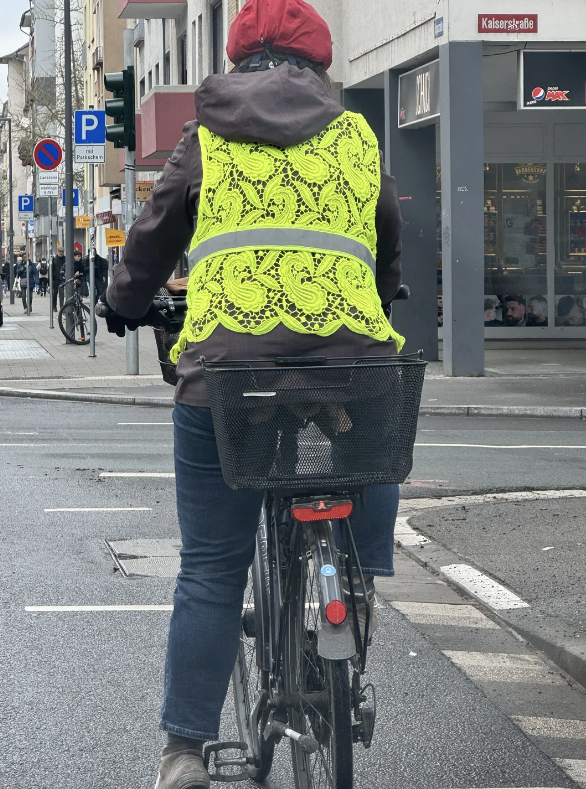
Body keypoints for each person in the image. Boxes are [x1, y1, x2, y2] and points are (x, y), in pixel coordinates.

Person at [102, 2, 404, 786]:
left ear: (237, 58)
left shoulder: (206, 137)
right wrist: (384, 291)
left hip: (230, 373)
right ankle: (361, 576)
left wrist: (123, 302)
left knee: (210, 566)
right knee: (378, 410)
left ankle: (184, 753)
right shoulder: (357, 134)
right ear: (320, 61)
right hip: (348, 367)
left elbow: (154, 233)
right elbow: (386, 232)